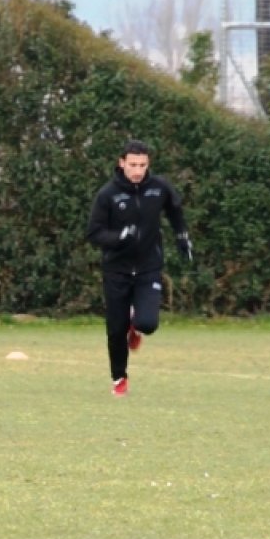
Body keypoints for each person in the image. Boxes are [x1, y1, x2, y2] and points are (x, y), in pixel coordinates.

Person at [87, 139, 193, 397]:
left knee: (148, 323)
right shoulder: (108, 194)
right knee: (115, 329)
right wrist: (120, 236)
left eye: (142, 165)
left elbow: (175, 210)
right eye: (132, 164)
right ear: (121, 163)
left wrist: (182, 237)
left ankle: (136, 327)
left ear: (148, 164)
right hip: (117, 269)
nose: (137, 170)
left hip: (148, 266)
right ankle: (119, 378)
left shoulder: (159, 188)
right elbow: (94, 233)